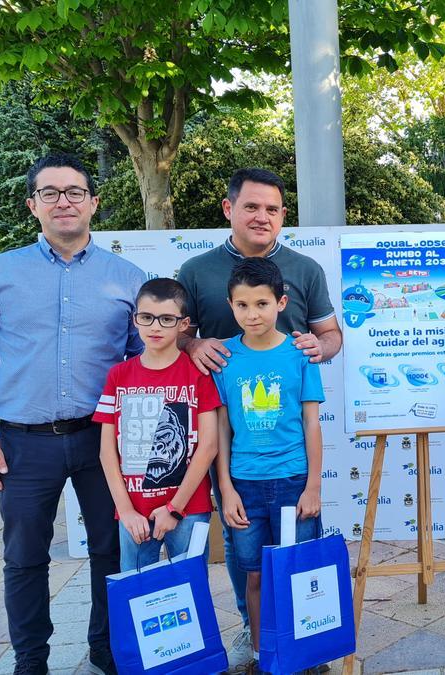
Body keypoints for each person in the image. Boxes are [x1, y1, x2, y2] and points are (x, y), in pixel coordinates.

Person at [0, 153, 145, 675]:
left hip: (101, 440)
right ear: (33, 204)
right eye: (51, 192)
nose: (64, 201)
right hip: (21, 443)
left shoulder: (127, 278)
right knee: (24, 557)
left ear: (94, 203)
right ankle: (31, 661)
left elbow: (143, 359)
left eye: (75, 192)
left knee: (112, 551)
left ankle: (107, 651)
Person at [176, 167, 341, 666]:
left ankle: (304, 636)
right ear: (229, 210)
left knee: (295, 555)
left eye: (272, 208)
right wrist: (193, 342)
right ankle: (256, 634)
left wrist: (321, 345)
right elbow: (174, 334)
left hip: (289, 452)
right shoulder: (197, 271)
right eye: (251, 206)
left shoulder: (306, 269)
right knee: (246, 558)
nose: (262, 216)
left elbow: (331, 337)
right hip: (229, 436)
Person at [212, 257, 325, 671]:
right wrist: (225, 489)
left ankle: (304, 653)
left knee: (297, 573)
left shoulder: (298, 355)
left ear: (280, 302)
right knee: (255, 575)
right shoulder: (226, 358)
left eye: (261, 303)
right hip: (245, 485)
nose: (251, 314)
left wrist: (313, 485)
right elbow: (222, 429)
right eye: (242, 305)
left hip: (294, 480)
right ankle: (263, 656)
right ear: (230, 305)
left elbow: (312, 423)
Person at [94, 277, 221, 571]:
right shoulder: (118, 376)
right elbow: (106, 450)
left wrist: (174, 509)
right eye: (147, 317)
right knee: (136, 595)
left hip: (188, 509)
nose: (155, 327)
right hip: (134, 512)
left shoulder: (197, 374)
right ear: (135, 319)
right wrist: (125, 510)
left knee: (191, 591)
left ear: (183, 323)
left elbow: (209, 446)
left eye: (166, 319)